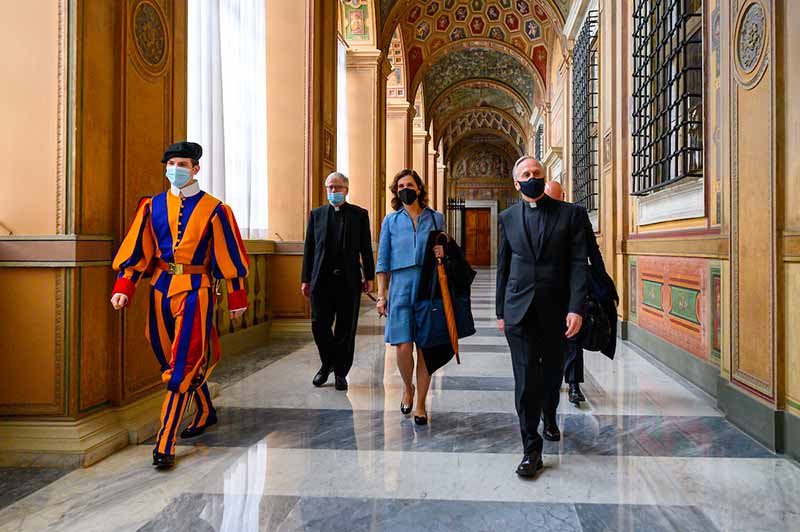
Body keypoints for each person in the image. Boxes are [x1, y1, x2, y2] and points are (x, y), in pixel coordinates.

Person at [110, 141, 249, 469]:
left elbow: (229, 254)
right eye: (172, 163)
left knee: (183, 364)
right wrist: (125, 286)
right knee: (164, 356)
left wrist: (237, 295)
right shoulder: (151, 206)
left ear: (196, 168)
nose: (176, 169)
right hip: (159, 288)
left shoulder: (216, 209)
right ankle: (204, 409)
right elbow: (137, 251)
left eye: (183, 163)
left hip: (196, 291)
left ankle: (165, 441)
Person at [496, 156, 588, 478]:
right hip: (519, 312)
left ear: (543, 176)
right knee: (525, 381)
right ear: (516, 182)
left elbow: (579, 263)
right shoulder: (507, 218)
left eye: (537, 173)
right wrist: (499, 311)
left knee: (550, 376)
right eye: (526, 174)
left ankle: (550, 414)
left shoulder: (570, 214)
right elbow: (503, 267)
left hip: (557, 311)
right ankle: (530, 451)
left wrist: (576, 307)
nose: (532, 177)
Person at [376, 169, 445, 426]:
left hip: (428, 286)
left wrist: (442, 251)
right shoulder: (391, 221)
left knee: (424, 348)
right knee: (403, 347)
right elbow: (382, 261)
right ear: (397, 191)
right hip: (401, 287)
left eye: (410, 184)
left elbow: (446, 251)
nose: (406, 188)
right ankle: (408, 387)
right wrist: (381, 296)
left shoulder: (436, 218)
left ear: (419, 189)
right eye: (401, 185)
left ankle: (420, 405)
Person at [545, 180, 619, 404]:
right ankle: (553, 379)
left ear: (563, 196)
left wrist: (603, 279)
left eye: (556, 198)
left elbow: (592, 249)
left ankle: (574, 384)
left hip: (576, 284)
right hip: (548, 285)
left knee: (574, 333)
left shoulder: (577, 214)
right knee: (550, 334)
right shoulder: (539, 215)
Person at [301, 172, 375, 391]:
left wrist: (369, 276)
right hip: (320, 280)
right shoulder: (316, 214)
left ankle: (341, 373)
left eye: (337, 187)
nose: (333, 191)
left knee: (346, 328)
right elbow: (309, 248)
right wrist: (305, 278)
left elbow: (365, 249)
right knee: (319, 325)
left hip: (348, 281)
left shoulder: (360, 215)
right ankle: (327, 364)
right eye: (329, 188)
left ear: (346, 190)